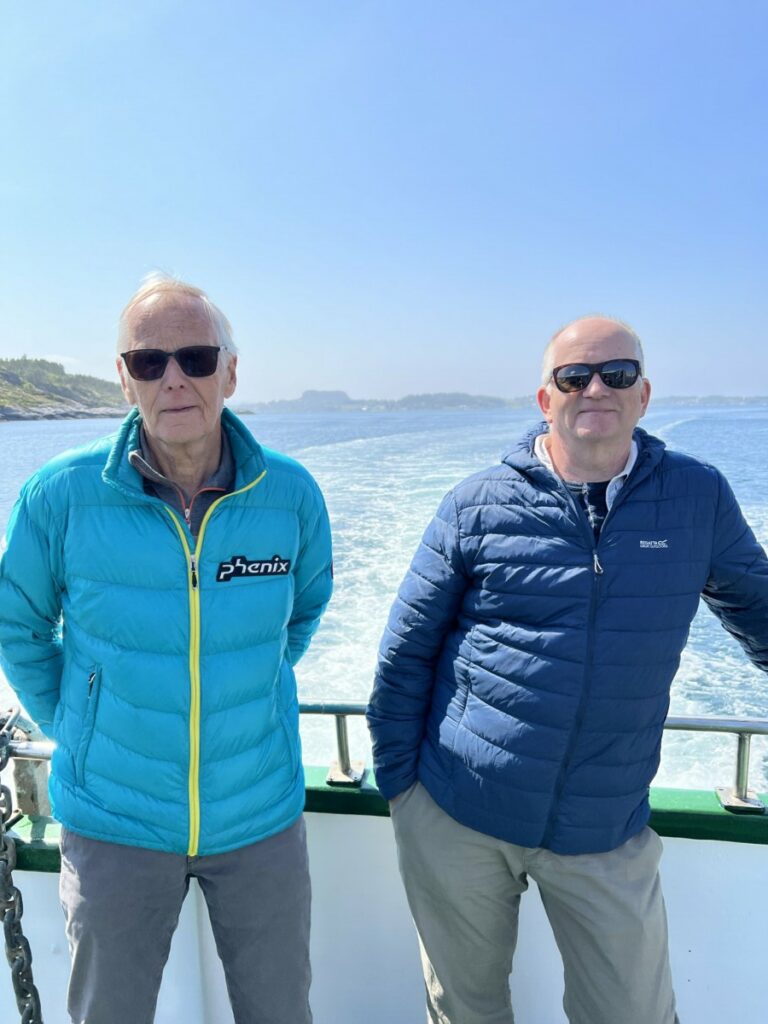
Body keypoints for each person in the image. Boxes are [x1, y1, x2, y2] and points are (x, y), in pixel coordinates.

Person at [367, 315, 768, 1024]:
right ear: (545, 399)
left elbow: (759, 609)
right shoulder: (477, 504)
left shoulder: (697, 498)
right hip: (460, 812)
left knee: (633, 1013)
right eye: (573, 376)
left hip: (604, 826)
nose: (595, 389)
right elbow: (405, 653)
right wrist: (406, 795)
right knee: (465, 1011)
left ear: (644, 394)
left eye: (616, 374)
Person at [0, 274, 333, 1024]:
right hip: (113, 820)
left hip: (259, 815)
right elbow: (16, 627)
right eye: (149, 362)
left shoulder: (291, 496)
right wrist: (82, 723)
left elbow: (304, 611)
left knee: (281, 1012)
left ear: (232, 371)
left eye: (196, 357)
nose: (174, 378)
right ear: (123, 379)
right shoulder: (58, 495)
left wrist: (251, 690)